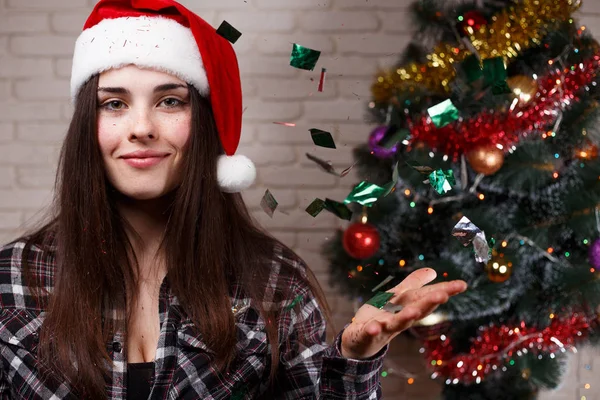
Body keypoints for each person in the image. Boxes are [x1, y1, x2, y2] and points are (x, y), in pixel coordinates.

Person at [0, 0, 468, 398]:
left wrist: (354, 359)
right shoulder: (11, 280)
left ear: (205, 124)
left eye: (170, 101)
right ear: (89, 125)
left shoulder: (275, 285)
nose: (140, 128)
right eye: (114, 103)